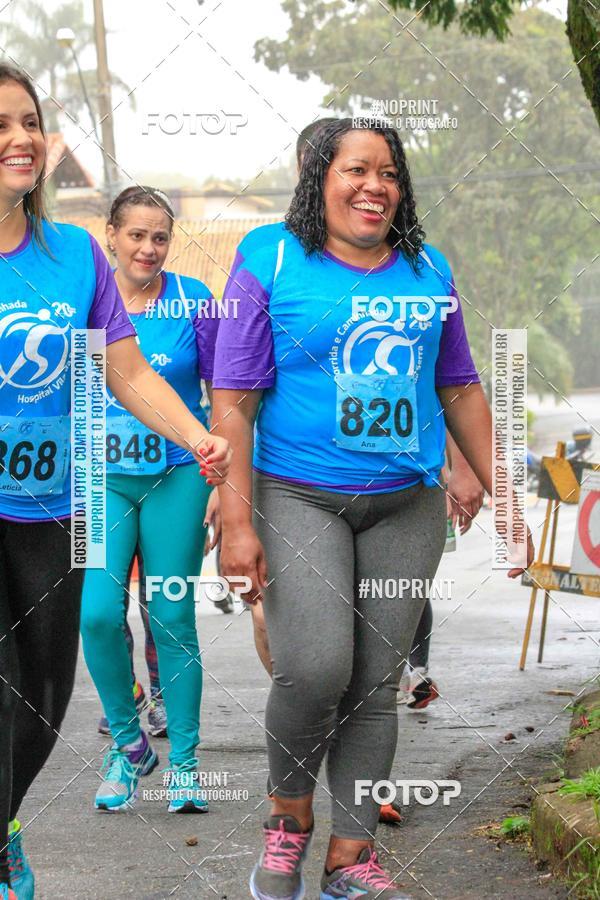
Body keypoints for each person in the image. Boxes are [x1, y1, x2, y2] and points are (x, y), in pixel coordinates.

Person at [211, 117, 532, 900]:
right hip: (298, 492)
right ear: (318, 176)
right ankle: (288, 825)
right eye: (356, 169)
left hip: (404, 506)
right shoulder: (271, 258)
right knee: (316, 666)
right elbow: (234, 398)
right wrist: (239, 519)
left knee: (374, 681)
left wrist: (507, 497)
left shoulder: (427, 268)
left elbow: (457, 386)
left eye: (388, 171)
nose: (375, 184)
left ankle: (351, 861)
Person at [0, 66, 230, 900]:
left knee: (54, 694)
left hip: (87, 498)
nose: (20, 138)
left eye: (30, 122)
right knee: (52, 652)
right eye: (2, 124)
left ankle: (172, 764)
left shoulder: (77, 266)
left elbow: (134, 373)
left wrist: (201, 438)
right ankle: (22, 832)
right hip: (54, 495)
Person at [80, 185, 222, 813]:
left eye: (160, 236)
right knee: (97, 615)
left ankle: (186, 766)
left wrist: (226, 488)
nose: (148, 247)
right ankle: (128, 742)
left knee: (170, 616)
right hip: (99, 479)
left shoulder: (196, 301)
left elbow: (226, 392)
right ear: (111, 234)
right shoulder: (84, 299)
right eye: (135, 234)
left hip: (180, 477)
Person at [96, 552, 168, 739]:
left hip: (158, 524)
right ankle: (127, 692)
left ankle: (162, 698)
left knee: (157, 610)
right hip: (97, 524)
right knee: (101, 614)